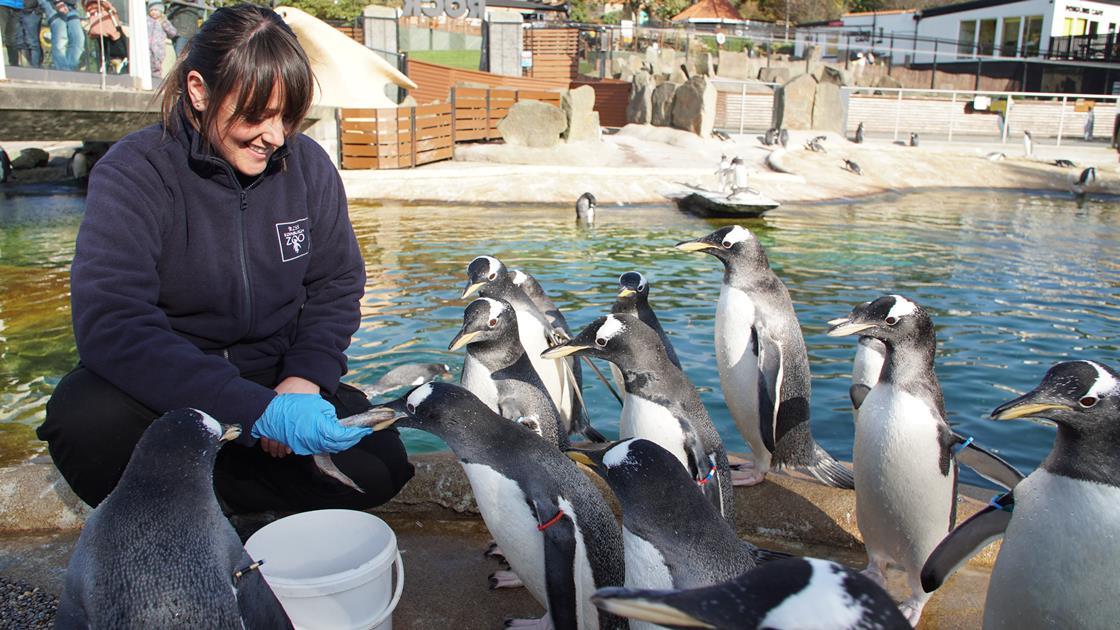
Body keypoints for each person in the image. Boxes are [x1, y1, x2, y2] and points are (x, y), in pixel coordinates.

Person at [37, 3, 415, 516]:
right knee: (83, 423)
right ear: (199, 90)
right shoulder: (133, 171)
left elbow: (336, 284)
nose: (276, 136)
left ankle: (196, 500)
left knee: (382, 465)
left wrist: (303, 380)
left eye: (288, 117)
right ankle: (217, 504)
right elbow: (113, 324)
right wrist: (255, 414)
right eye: (257, 115)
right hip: (170, 391)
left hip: (276, 376)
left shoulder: (309, 167)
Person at [39, 0, 83, 70]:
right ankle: (62, 71)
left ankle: (70, 70)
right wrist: (58, 2)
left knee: (78, 39)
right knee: (60, 38)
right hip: (51, 4)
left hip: (71, 5)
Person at [145, 0, 174, 78]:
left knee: (156, 65)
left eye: (156, 10)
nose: (153, 12)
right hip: (146, 46)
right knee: (146, 63)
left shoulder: (164, 21)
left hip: (158, 48)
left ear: (161, 11)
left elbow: (173, 32)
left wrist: (164, 23)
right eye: (151, 10)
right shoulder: (146, 20)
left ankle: (156, 79)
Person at [14, 0, 42, 67]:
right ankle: (24, 67)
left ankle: (35, 68)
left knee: (32, 43)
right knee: (19, 42)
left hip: (32, 11)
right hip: (15, 10)